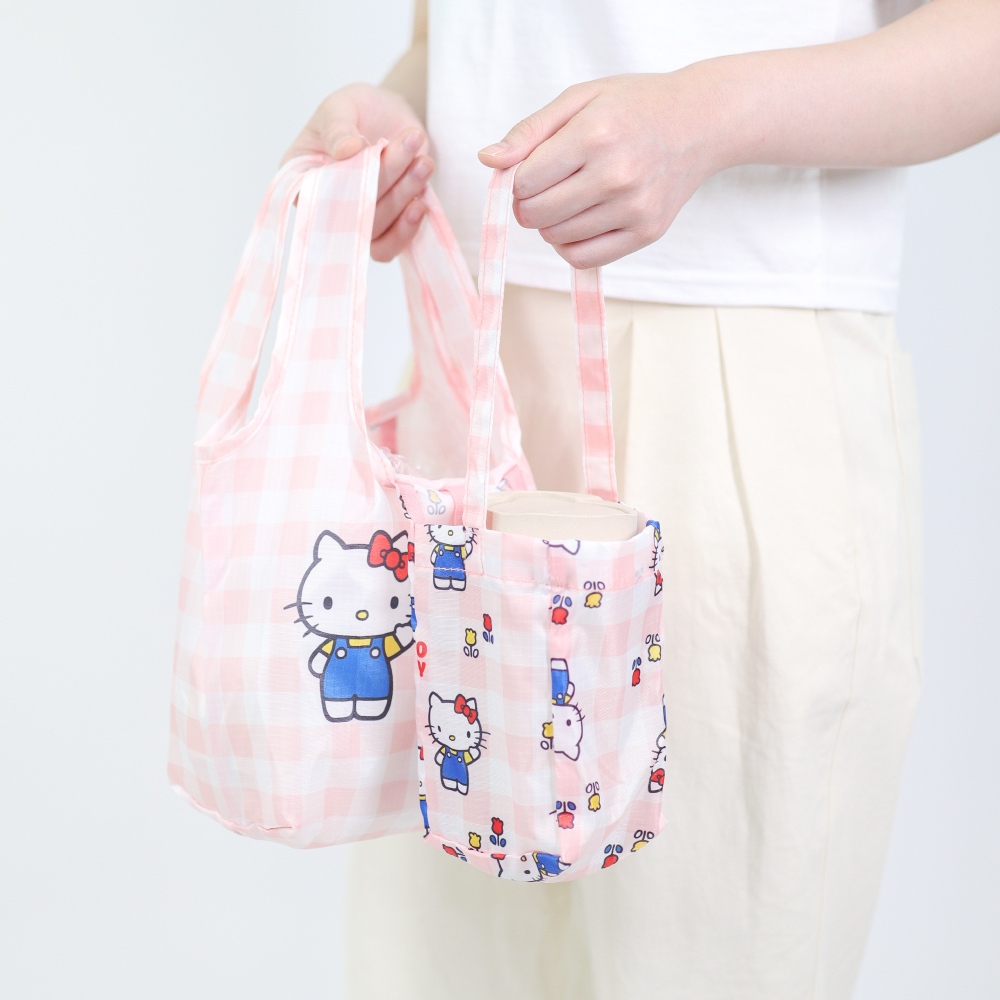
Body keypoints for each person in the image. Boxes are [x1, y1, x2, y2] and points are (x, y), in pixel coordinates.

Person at [284, 2, 1000, 998]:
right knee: (439, 965)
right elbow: (449, 38)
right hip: (476, 375)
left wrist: (706, 115)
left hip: (734, 365)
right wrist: (393, 123)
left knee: (713, 958)